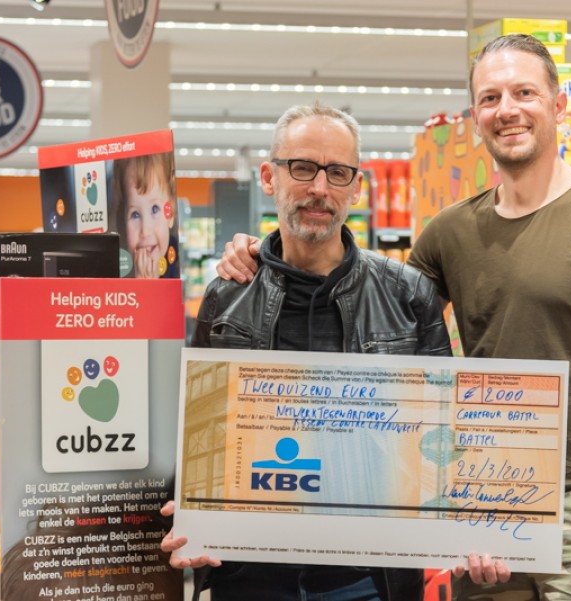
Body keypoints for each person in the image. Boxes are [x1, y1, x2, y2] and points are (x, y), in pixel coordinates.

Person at [215, 34, 571, 601]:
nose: (507, 109)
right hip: (485, 506)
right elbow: (373, 316)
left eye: (524, 93)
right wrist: (263, 257)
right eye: (490, 98)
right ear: (475, 117)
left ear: (559, 106)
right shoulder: (450, 233)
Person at [162, 102, 465, 601]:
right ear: (269, 177)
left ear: (356, 186)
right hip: (251, 576)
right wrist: (191, 512)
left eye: (338, 172)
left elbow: (443, 434)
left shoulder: (408, 294)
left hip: (367, 580)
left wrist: (478, 526)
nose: (320, 188)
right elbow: (200, 427)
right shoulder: (227, 295)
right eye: (302, 167)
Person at [112, 152, 179, 279]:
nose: (145, 231)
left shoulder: (176, 267)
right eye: (135, 214)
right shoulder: (119, 273)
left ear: (171, 213)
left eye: (155, 209)